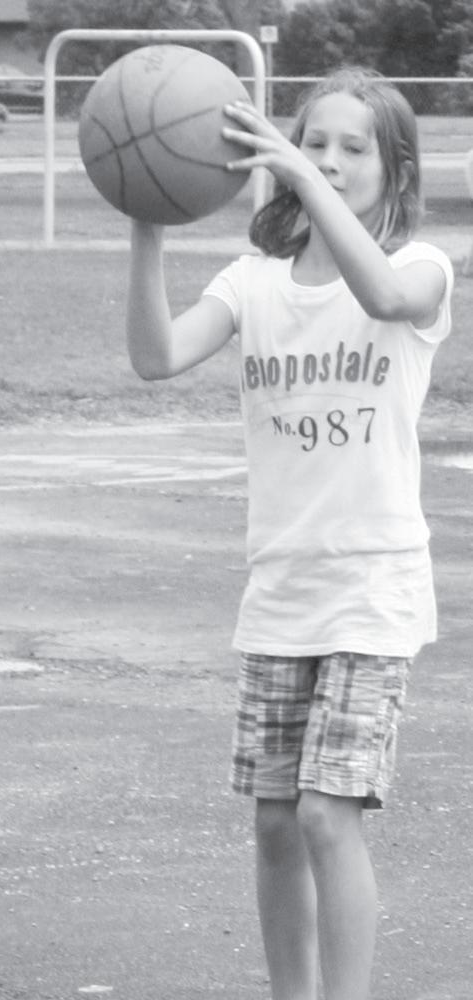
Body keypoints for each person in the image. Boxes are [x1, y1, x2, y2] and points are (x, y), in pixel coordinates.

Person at [126, 67, 453, 1000]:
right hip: (280, 590)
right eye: (313, 142)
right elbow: (155, 356)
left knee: (323, 814)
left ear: (395, 170)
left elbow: (382, 297)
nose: (329, 159)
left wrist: (305, 181)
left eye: (353, 148)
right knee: (274, 822)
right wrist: (146, 221)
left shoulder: (423, 268)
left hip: (372, 589)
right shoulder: (253, 283)